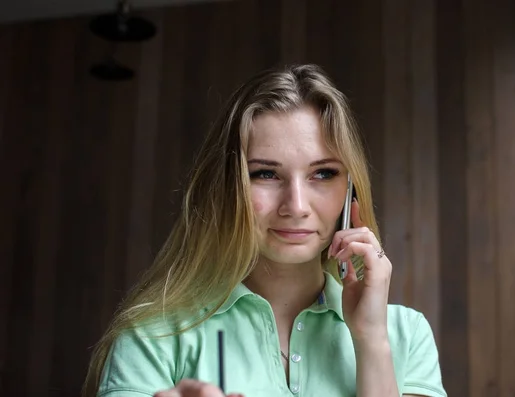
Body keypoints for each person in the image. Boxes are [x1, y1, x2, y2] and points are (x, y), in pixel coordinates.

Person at [83, 64, 447, 397]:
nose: (297, 206)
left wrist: (371, 342)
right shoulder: (154, 336)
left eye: (323, 173)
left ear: (351, 189)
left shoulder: (405, 336)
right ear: (228, 186)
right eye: (266, 174)